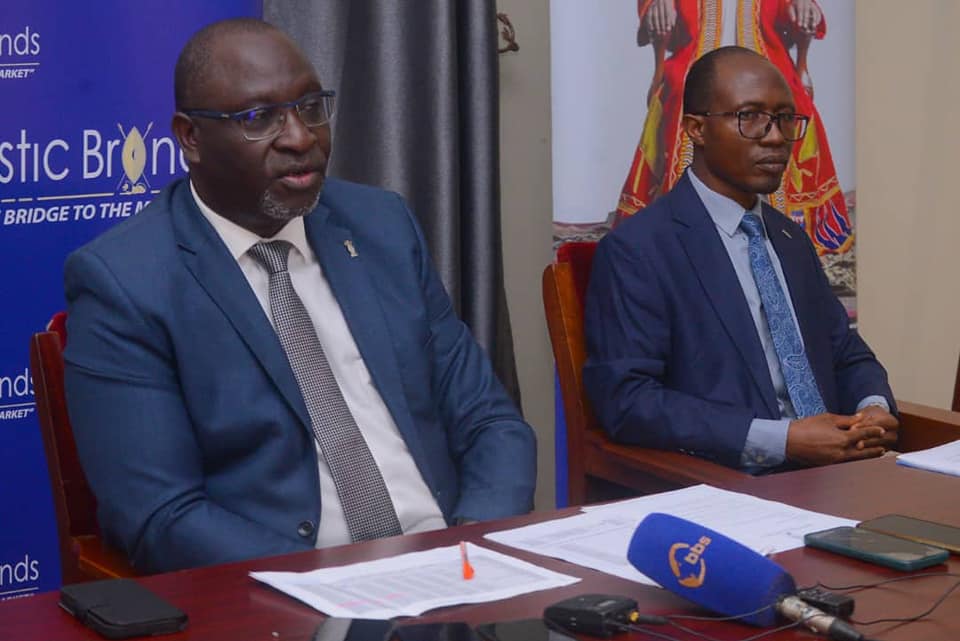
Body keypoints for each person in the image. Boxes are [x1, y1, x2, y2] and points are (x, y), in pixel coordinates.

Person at [63, 18, 536, 573]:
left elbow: (491, 423)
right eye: (259, 118)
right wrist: (329, 584)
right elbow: (163, 515)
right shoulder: (127, 282)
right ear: (190, 138)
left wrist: (472, 550)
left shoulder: (381, 226)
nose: (301, 137)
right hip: (290, 590)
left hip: (454, 567)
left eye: (311, 107)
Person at [583, 46, 897, 473]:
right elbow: (628, 400)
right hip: (729, 481)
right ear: (696, 129)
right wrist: (782, 441)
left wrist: (873, 408)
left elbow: (846, 355)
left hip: (840, 472)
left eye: (785, 119)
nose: (775, 137)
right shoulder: (640, 249)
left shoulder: (790, 240)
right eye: (750, 117)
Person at [617, 0, 853, 254]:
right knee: (682, 95)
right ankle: (685, 227)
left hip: (765, 57)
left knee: (787, 98)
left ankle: (780, 229)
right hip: (697, 58)